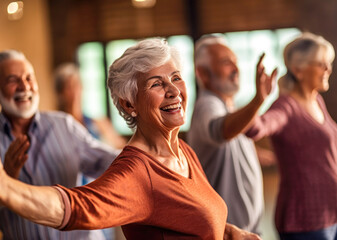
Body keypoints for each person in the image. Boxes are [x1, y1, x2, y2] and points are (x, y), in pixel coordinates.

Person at [0, 38, 261, 240]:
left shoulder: (182, 150)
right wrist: (5, 186)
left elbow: (188, 219)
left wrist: (227, 232)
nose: (173, 91)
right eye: (157, 84)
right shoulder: (137, 174)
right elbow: (74, 207)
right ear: (129, 104)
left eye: (176, 78)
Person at [0, 50, 119, 240]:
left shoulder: (64, 125)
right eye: (12, 80)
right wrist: (6, 180)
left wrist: (147, 158)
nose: (24, 86)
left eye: (29, 78)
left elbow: (106, 161)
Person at [245, 32, 337, 240]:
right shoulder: (286, 107)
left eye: (329, 63)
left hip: (331, 213)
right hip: (305, 219)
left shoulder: (317, 101)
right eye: (321, 64)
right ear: (298, 69)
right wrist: (258, 100)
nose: (328, 69)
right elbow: (256, 127)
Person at [187, 35, 277, 234]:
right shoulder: (207, 104)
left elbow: (233, 134)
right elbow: (221, 130)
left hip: (246, 230)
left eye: (235, 62)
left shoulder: (228, 105)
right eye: (226, 63)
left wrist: (256, 154)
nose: (236, 69)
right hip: (228, 232)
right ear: (202, 73)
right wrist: (257, 101)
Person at [54, 63, 126, 149]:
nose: (74, 92)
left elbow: (121, 146)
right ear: (60, 94)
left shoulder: (98, 123)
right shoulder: (57, 128)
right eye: (68, 87)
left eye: (76, 85)